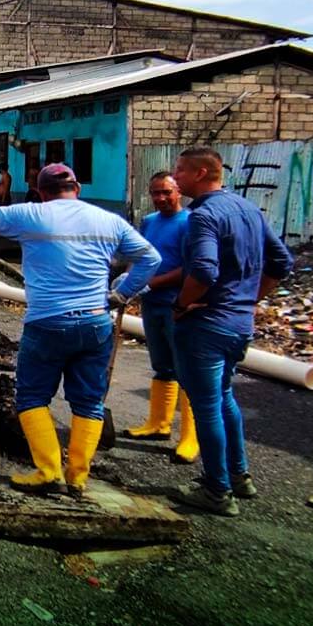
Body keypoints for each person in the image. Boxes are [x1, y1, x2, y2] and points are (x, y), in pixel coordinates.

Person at [0, 164, 161, 495]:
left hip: (48, 324)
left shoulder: (33, 216)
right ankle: (78, 477)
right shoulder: (110, 222)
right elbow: (151, 258)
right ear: (78, 189)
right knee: (88, 402)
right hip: (96, 323)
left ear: (41, 192)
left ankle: (48, 471)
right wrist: (122, 293)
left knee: (31, 396)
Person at [170, 147, 294, 516]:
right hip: (240, 324)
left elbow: (205, 271)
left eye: (180, 171)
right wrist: (249, 299)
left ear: (202, 172)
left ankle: (216, 490)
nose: (175, 178)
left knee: (206, 406)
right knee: (224, 398)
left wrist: (181, 305)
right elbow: (282, 262)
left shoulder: (204, 216)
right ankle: (239, 475)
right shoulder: (248, 209)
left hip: (207, 326)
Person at [117, 171, 200, 463]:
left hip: (177, 304)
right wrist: (127, 279)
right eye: (155, 193)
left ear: (179, 192)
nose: (161, 198)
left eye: (167, 192)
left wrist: (153, 283)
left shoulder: (190, 223)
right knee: (161, 365)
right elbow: (139, 255)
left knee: (185, 369)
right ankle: (158, 424)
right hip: (151, 304)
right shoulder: (150, 222)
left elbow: (190, 267)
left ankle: (190, 436)